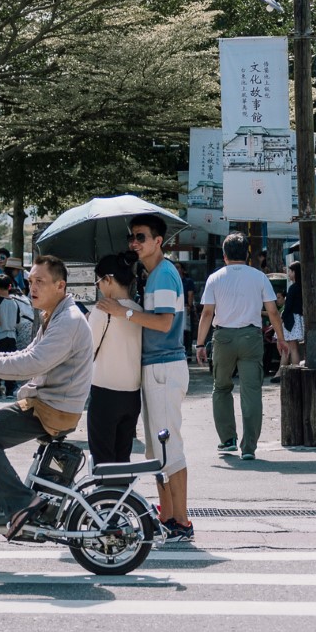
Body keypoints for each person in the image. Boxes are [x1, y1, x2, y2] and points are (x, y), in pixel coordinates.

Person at [0, 255, 93, 536]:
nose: (32, 287)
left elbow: (31, 364)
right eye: (30, 281)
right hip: (47, 403)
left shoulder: (67, 320)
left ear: (60, 286)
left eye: (40, 281)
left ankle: (21, 503)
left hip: (52, 408)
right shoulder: (54, 314)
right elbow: (26, 354)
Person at [195, 232, 292, 462]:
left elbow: (207, 313)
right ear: (248, 255)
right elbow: (273, 312)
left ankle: (227, 439)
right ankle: (249, 446)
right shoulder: (259, 277)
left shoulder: (215, 278)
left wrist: (200, 343)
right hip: (251, 337)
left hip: (223, 338)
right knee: (251, 392)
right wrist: (280, 339)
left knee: (221, 388)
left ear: (224, 254)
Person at [127, 213, 192, 542]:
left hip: (164, 366)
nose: (134, 243)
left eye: (140, 237)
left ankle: (180, 521)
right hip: (159, 366)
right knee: (157, 450)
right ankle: (168, 515)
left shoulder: (163, 275)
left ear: (157, 242)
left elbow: (164, 323)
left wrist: (124, 311)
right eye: (132, 237)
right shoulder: (155, 275)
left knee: (168, 449)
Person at [87, 252, 143, 465]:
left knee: (103, 459)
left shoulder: (103, 310)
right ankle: (121, 497)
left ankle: (106, 498)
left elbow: (88, 349)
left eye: (99, 281)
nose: (99, 287)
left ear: (108, 279)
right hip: (132, 395)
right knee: (122, 458)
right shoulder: (139, 311)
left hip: (105, 392)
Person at [281, 261, 305, 368]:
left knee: (293, 348)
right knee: (293, 347)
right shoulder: (302, 287)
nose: (288, 274)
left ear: (295, 272)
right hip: (298, 318)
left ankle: (294, 369)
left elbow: (288, 307)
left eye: (290, 271)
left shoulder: (293, 288)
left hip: (292, 320)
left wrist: (282, 318)